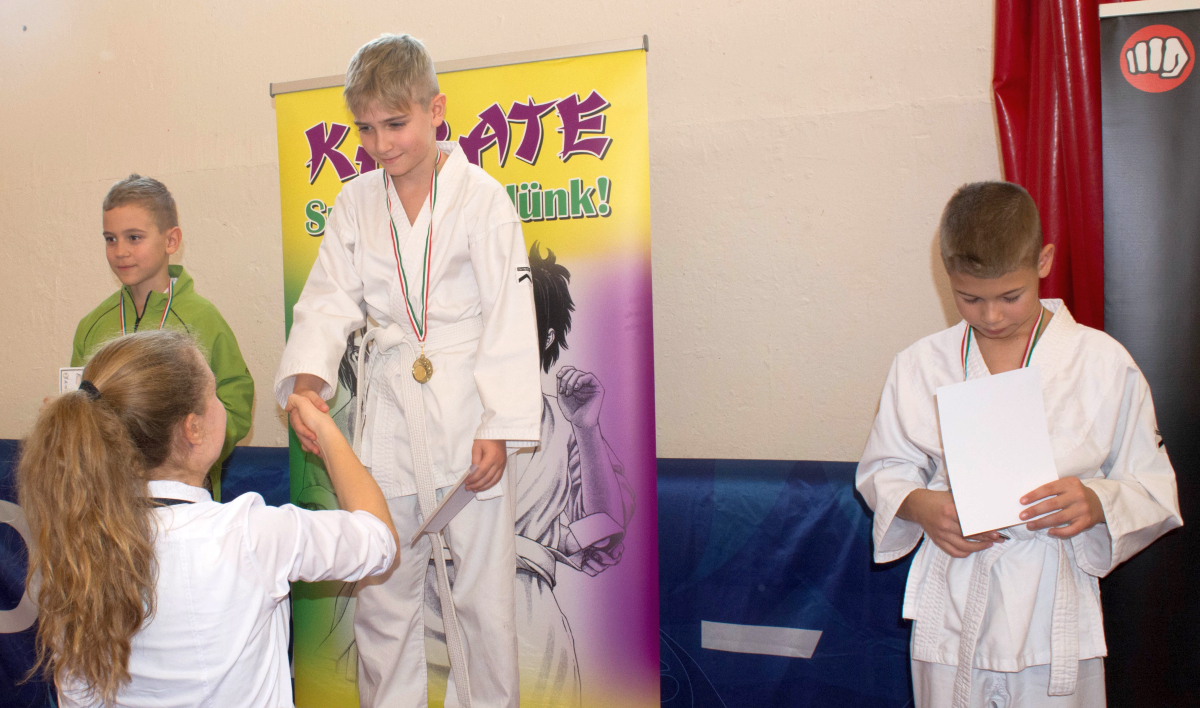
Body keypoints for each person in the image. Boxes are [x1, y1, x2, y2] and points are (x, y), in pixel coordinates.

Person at [274, 33, 541, 708]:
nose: (380, 143)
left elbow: (509, 314)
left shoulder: (482, 199)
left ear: (435, 110)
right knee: (383, 587)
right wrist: (307, 381)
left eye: (395, 124)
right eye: (365, 128)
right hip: (390, 412)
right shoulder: (355, 203)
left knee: (482, 597)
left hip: (468, 411)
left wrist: (500, 423)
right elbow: (328, 299)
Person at [857, 181, 1182, 708]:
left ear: (1043, 262)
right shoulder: (920, 364)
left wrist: (1097, 501)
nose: (991, 316)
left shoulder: (1102, 362)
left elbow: (1153, 487)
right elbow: (884, 468)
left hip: (1053, 606)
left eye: (1011, 296)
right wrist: (921, 506)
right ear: (947, 277)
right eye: (969, 298)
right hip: (954, 601)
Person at [18, 329, 397, 708]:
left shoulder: (77, 555)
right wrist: (327, 432)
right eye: (213, 393)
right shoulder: (248, 534)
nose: (221, 403)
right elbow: (379, 540)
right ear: (193, 428)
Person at [71, 174, 254, 500]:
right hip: (110, 496)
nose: (120, 251)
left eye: (134, 237)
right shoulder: (92, 325)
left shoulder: (203, 319)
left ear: (171, 241)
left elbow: (235, 405)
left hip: (184, 493)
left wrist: (191, 450)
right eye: (110, 239)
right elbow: (81, 402)